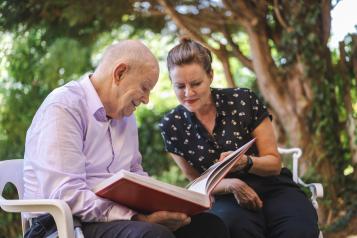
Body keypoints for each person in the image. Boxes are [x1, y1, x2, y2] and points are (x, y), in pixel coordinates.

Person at [23, 40, 229, 238]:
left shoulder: (125, 116)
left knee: (209, 226)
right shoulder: (64, 107)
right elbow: (66, 194)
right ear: (119, 73)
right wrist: (135, 217)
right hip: (65, 224)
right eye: (145, 88)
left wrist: (169, 205)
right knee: (153, 235)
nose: (147, 100)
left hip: (115, 219)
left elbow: (135, 173)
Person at [159, 38, 320, 238]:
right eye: (179, 86)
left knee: (298, 230)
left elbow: (274, 164)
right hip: (226, 198)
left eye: (196, 83)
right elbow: (196, 182)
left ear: (210, 76)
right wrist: (231, 184)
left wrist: (245, 162)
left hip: (274, 187)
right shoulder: (171, 125)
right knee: (235, 228)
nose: (188, 93)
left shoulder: (242, 100)